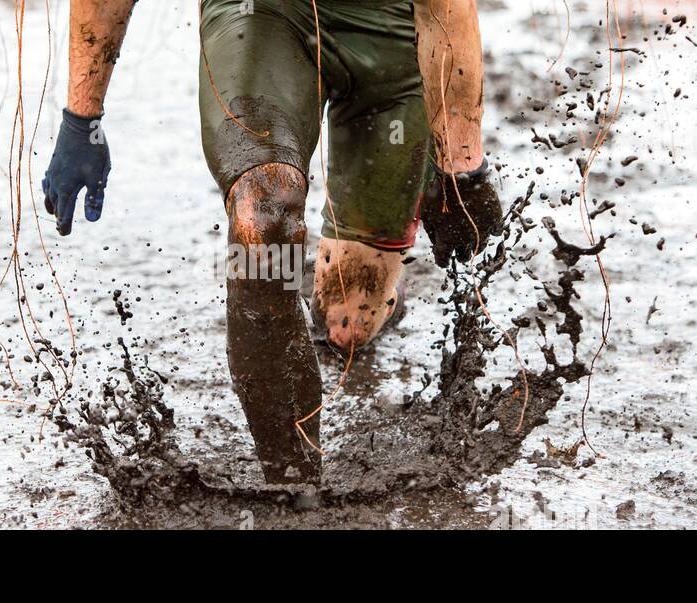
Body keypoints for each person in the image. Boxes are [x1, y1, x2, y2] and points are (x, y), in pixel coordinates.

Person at [41, 0, 503, 485]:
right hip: (262, 15)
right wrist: (81, 118)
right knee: (262, 220)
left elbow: (444, 8)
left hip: (391, 32)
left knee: (347, 325)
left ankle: (357, 267)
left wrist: (460, 170)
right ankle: (292, 480)